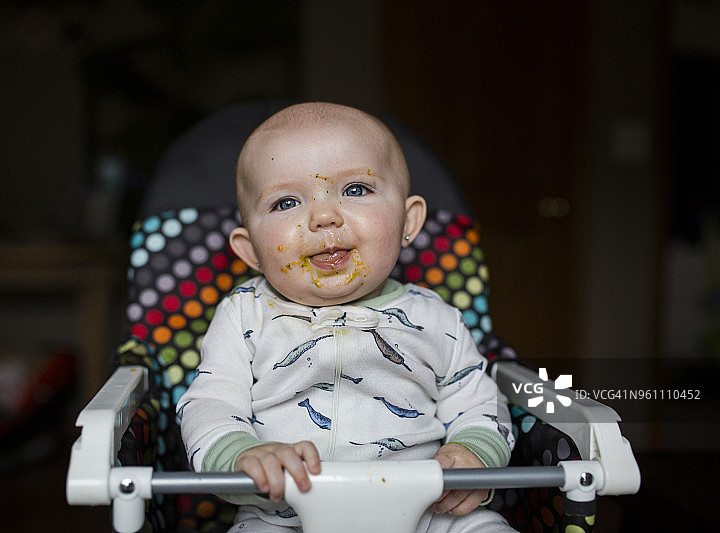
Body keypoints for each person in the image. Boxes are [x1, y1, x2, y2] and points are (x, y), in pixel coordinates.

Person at [177, 102, 516, 532]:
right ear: (251, 251)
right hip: (284, 516)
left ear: (408, 221)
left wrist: (474, 451)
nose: (323, 216)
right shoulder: (245, 315)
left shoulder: (437, 318)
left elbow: (479, 401)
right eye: (286, 202)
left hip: (429, 516)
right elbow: (210, 402)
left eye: (355, 190)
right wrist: (242, 455)